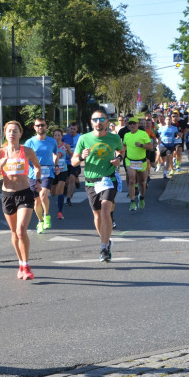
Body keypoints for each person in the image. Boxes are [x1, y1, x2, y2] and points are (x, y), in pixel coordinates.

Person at [71, 109, 125, 262]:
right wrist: (82, 156)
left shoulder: (114, 138)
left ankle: (103, 247)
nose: (99, 122)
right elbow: (73, 161)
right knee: (97, 215)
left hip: (108, 179)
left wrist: (119, 159)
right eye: (96, 119)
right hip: (90, 181)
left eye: (102, 119)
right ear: (91, 122)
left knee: (105, 210)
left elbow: (121, 150)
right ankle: (106, 240)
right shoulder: (84, 139)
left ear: (107, 122)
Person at [0, 121, 41, 279]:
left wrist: (37, 181)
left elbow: (37, 167)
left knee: (21, 230)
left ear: (20, 133)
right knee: (14, 233)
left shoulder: (27, 151)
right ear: (5, 134)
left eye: (15, 131)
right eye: (9, 131)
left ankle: (26, 266)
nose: (12, 134)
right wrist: (1, 166)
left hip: (25, 193)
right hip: (7, 195)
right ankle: (20, 263)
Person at [24, 117, 58, 234]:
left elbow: (55, 154)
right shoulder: (29, 142)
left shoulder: (52, 141)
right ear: (34, 127)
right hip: (33, 173)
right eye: (38, 125)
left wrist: (57, 165)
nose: (40, 127)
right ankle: (40, 221)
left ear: (46, 126)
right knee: (36, 201)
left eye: (42, 125)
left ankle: (46, 215)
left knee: (43, 195)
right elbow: (25, 158)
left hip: (48, 171)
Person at [122, 118, 152, 211]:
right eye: (130, 123)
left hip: (141, 162)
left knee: (142, 182)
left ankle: (142, 198)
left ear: (138, 125)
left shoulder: (143, 134)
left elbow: (150, 146)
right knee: (131, 180)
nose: (132, 125)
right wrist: (121, 155)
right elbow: (124, 146)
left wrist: (141, 145)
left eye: (134, 123)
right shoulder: (126, 135)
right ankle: (132, 202)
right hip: (130, 161)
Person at [51, 128, 73, 220]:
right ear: (53, 137)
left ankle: (60, 212)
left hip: (63, 170)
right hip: (52, 171)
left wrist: (73, 162)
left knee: (60, 190)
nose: (57, 137)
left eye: (58, 135)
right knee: (53, 193)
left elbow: (72, 155)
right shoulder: (50, 146)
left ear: (61, 136)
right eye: (55, 135)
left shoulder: (66, 146)